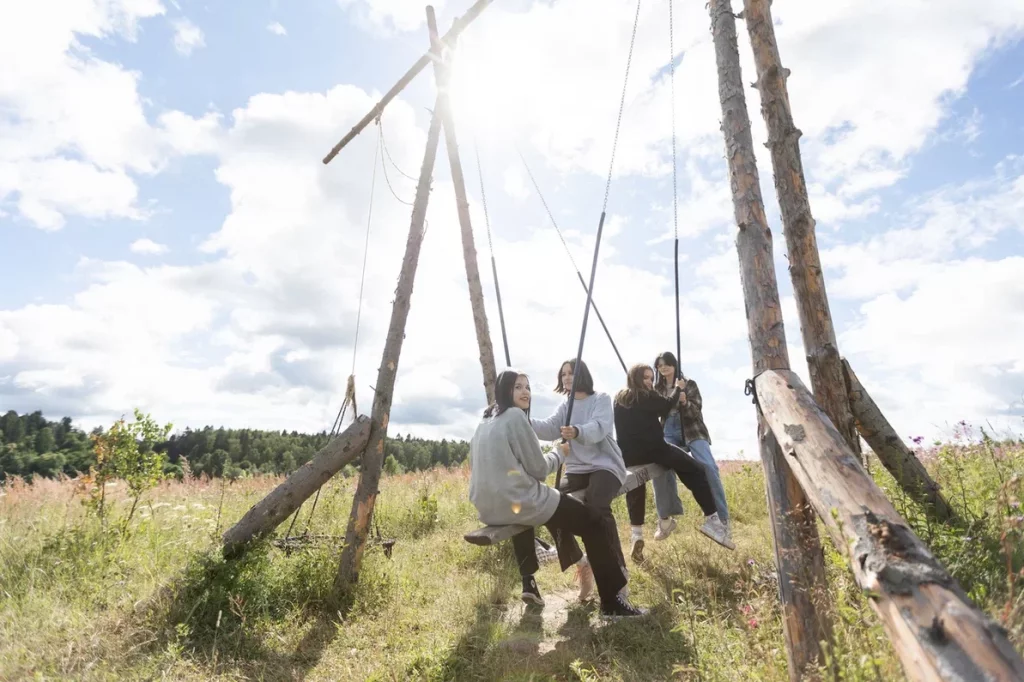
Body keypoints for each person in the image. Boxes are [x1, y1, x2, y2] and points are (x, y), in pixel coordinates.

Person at [468, 369, 646, 617]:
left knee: (558, 509)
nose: (525, 392)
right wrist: (558, 452)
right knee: (593, 523)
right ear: (505, 390)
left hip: (487, 508)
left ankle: (556, 556)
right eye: (518, 387)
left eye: (527, 387)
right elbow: (540, 470)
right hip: (521, 501)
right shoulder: (515, 418)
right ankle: (612, 603)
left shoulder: (484, 421)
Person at [531, 358, 628, 600]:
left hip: (605, 465)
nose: (566, 378)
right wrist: (522, 420)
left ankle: (617, 572)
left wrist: (577, 431)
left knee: (597, 507)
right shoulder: (566, 405)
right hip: (576, 469)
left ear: (582, 375)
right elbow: (550, 427)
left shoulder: (601, 400)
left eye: (571, 373)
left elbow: (599, 427)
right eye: (563, 373)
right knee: (549, 503)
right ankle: (582, 563)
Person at [614, 363, 734, 557]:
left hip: (629, 456)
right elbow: (666, 407)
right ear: (636, 378)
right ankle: (713, 521)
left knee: (636, 486)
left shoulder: (620, 397)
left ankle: (637, 533)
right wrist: (678, 388)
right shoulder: (647, 396)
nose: (649, 382)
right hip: (655, 450)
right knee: (695, 469)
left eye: (650, 378)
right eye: (645, 378)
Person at [642, 352, 731, 547]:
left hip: (692, 428)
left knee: (708, 467)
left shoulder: (689, 384)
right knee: (660, 468)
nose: (663, 368)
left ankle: (722, 521)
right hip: (668, 430)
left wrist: (684, 401)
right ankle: (665, 519)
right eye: (660, 365)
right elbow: (658, 412)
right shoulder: (656, 388)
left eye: (667, 364)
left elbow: (696, 410)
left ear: (674, 365)